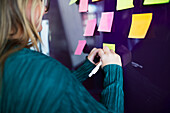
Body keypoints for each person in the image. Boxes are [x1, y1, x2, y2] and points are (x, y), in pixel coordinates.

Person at [0, 0, 124, 112]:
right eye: (43, 2)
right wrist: (114, 72)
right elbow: (53, 83)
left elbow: (50, 88)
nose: (45, 9)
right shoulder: (44, 69)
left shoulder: (9, 58)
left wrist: (86, 68)